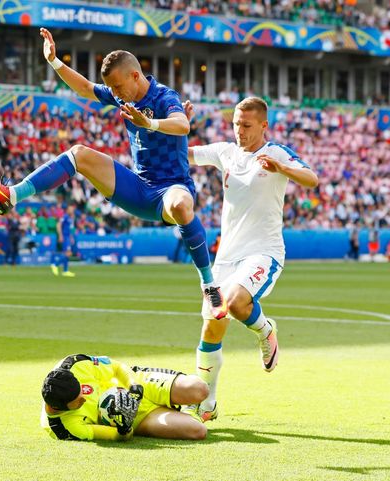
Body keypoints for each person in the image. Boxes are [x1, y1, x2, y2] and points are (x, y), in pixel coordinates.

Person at [0, 28, 226, 319]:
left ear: (135, 76)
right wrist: (55, 62)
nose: (117, 95)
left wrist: (150, 124)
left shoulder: (163, 96)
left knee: (181, 206)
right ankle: (12, 195)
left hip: (171, 189)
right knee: (79, 153)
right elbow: (85, 88)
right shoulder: (124, 95)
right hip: (137, 186)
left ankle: (209, 285)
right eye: (114, 90)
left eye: (119, 88)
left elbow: (182, 125)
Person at [185, 97, 319, 422]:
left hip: (264, 251)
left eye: (246, 125)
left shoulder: (276, 153)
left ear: (263, 126)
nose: (239, 131)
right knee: (212, 327)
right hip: (226, 258)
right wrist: (178, 128)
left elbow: (311, 178)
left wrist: (281, 169)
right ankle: (207, 402)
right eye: (235, 124)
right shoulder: (226, 153)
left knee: (233, 302)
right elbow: (184, 155)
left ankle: (264, 330)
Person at [41, 354, 208, 442]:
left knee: (199, 389)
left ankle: (191, 405)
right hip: (137, 417)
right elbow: (116, 436)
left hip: (135, 384)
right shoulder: (64, 428)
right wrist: (125, 428)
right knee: (198, 431)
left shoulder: (73, 365)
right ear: (58, 408)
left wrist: (134, 384)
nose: (84, 397)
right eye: (78, 401)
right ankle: (192, 409)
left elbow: (116, 366)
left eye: (82, 390)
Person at [52, 204, 76, 277]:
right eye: (70, 209)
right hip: (65, 237)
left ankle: (65, 271)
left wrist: (71, 237)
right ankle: (55, 264)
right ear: (68, 210)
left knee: (67, 253)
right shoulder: (65, 216)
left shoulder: (71, 218)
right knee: (68, 253)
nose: (72, 210)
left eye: (72, 209)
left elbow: (70, 229)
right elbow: (58, 225)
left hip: (68, 236)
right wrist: (60, 235)